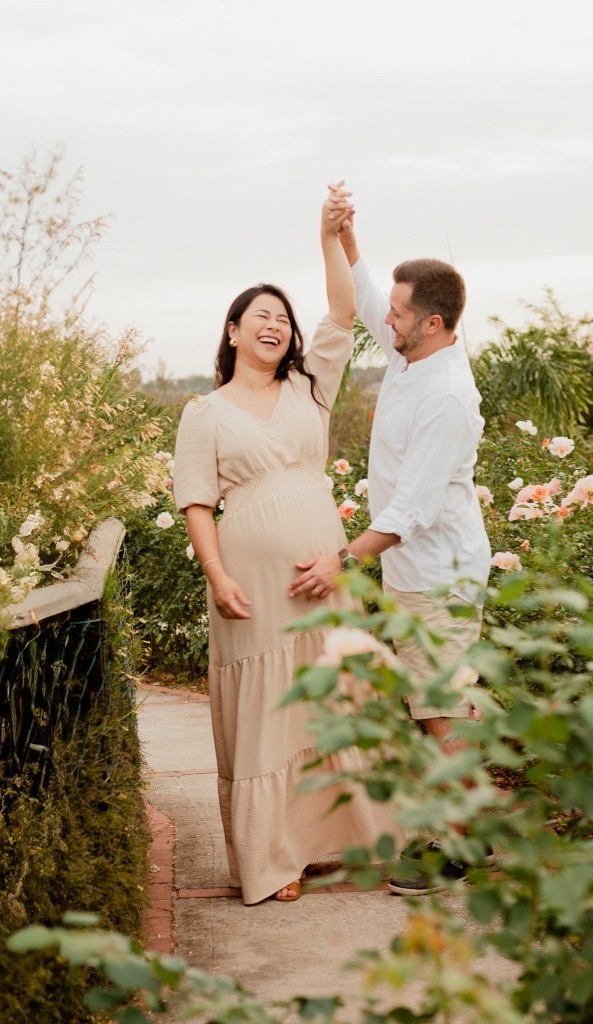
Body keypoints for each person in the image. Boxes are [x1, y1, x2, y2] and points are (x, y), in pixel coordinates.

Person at [170, 188, 399, 905]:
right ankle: (272, 860)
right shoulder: (203, 414)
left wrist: (328, 236)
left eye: (281, 317)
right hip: (253, 588)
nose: (274, 324)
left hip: (323, 575)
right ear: (232, 332)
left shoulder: (311, 390)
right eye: (259, 316)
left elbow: (341, 312)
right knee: (268, 712)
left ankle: (326, 842)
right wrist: (216, 576)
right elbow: (197, 503)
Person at [299, 184, 493, 896]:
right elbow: (371, 289)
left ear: (434, 323)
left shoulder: (447, 396)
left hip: (438, 573)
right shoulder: (414, 352)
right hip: (415, 572)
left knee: (439, 709)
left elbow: (409, 510)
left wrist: (340, 560)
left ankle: (465, 844)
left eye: (400, 313)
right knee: (439, 702)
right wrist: (347, 238)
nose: (387, 318)